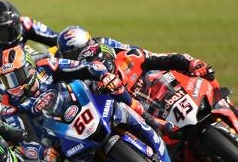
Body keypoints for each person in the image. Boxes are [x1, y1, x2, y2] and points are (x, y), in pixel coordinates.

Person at [0, 45, 169, 162]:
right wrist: (42, 151)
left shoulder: (47, 66)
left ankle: (147, 117)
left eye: (16, 76)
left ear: (29, 68)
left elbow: (85, 67)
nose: (13, 84)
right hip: (54, 135)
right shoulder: (9, 102)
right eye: (7, 79)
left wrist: (103, 76)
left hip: (82, 101)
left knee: (113, 85)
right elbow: (17, 138)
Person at [56, 25, 238, 116]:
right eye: (71, 53)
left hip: (142, 78)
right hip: (132, 108)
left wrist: (191, 63)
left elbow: (142, 54)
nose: (77, 55)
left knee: (185, 69)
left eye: (77, 50)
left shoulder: (106, 45)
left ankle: (222, 100)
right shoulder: (76, 78)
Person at [0, 0, 59, 96]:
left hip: (22, 62)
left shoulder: (26, 23)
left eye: (13, 30)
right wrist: (19, 94)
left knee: (52, 56)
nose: (9, 39)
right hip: (1, 80)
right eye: (1, 34)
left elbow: (57, 38)